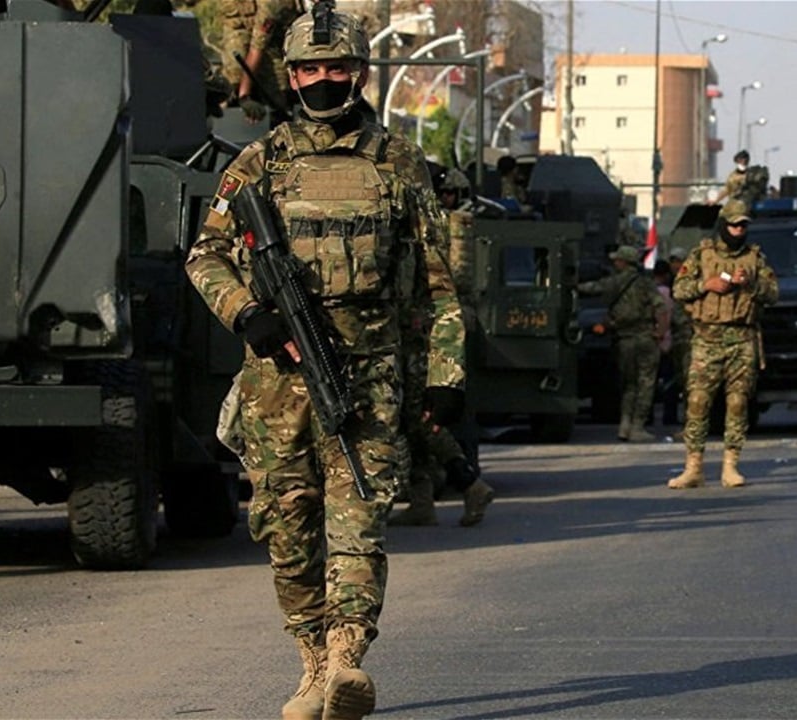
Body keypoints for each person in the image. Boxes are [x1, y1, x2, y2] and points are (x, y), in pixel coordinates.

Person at [185, 7, 465, 720]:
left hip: (367, 376)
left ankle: (346, 658)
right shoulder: (260, 162)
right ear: (291, 76)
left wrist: (446, 373)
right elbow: (205, 256)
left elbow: (438, 282)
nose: (322, 80)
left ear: (360, 74)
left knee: (359, 518)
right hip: (276, 382)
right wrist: (248, 313)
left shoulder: (398, 161)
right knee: (287, 526)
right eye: (309, 69)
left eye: (336, 67)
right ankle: (311, 660)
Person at [390, 163, 494, 528]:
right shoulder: (420, 223)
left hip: (425, 334)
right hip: (413, 330)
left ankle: (470, 484)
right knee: (409, 419)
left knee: (420, 418)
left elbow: (445, 285)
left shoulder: (436, 227)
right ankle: (422, 502)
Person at [668, 200, 779, 488]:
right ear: (723, 225)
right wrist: (706, 285)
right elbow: (678, 289)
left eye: (743, 225)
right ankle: (693, 467)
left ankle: (731, 465)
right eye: (734, 225)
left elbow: (773, 294)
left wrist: (750, 283)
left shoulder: (755, 258)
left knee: (738, 402)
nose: (739, 230)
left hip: (742, 338)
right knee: (697, 400)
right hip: (707, 339)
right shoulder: (701, 255)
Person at [577, 245, 667, 442]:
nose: (614, 262)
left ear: (624, 262)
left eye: (617, 260)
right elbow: (661, 308)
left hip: (624, 339)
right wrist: (660, 332)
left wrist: (570, 284)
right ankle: (638, 426)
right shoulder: (646, 283)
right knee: (646, 384)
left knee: (628, 385)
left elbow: (593, 288)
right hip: (645, 338)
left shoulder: (614, 282)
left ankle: (625, 426)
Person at [220, 0, 297, 124]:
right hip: (242, 33)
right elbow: (257, 47)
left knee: (279, 95)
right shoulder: (271, 5)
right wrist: (244, 96)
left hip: (274, 42)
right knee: (234, 75)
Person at [662, 247, 693, 425]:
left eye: (679, 261)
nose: (676, 265)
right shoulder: (667, 282)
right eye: (673, 262)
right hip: (671, 337)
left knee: (689, 379)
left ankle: (690, 419)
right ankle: (671, 415)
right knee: (672, 379)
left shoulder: (691, 281)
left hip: (686, 335)